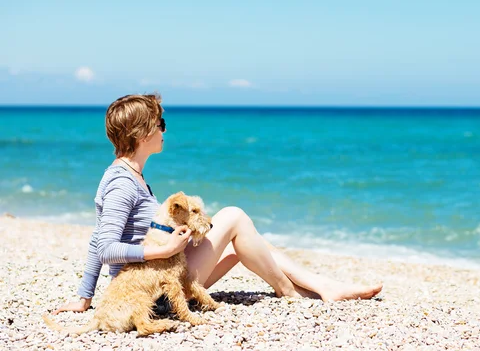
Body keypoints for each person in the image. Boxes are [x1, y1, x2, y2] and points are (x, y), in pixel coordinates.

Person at [52, 93, 382, 315]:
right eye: (160, 125)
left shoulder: (131, 177)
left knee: (248, 242)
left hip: (163, 278)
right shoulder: (122, 183)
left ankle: (318, 288)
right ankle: (294, 291)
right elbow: (106, 247)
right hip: (155, 294)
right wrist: (164, 251)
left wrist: (84, 298)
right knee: (234, 216)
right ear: (141, 134)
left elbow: (98, 238)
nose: (164, 131)